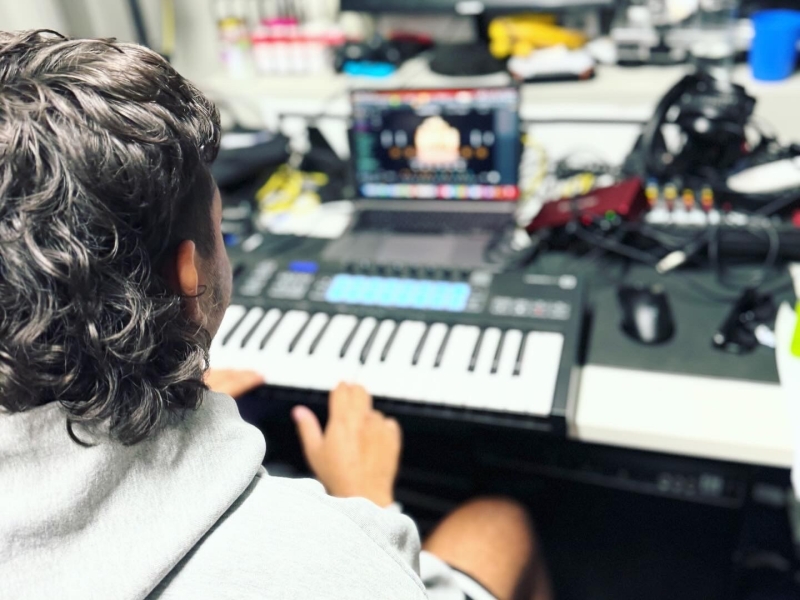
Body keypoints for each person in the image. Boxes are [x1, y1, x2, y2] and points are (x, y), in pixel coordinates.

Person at [0, 30, 552, 600]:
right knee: (499, 523)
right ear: (189, 275)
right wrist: (367, 503)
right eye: (220, 228)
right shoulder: (324, 560)